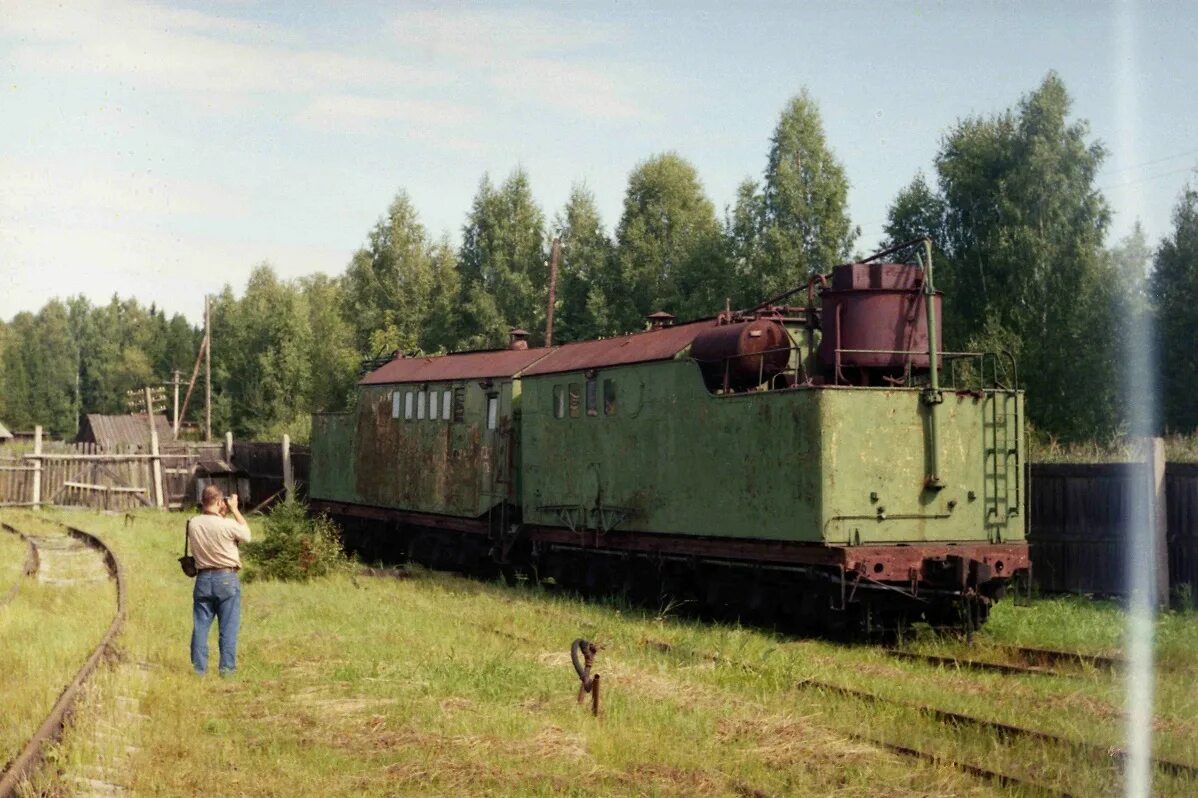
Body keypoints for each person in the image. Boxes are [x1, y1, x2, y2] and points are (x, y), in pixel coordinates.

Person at [188, 484, 251, 676]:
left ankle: (199, 670)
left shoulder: (193, 523)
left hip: (203, 578)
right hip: (226, 577)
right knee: (228, 627)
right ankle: (227, 669)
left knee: (200, 626)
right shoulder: (227, 524)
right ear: (218, 501)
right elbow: (247, 536)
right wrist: (234, 509)